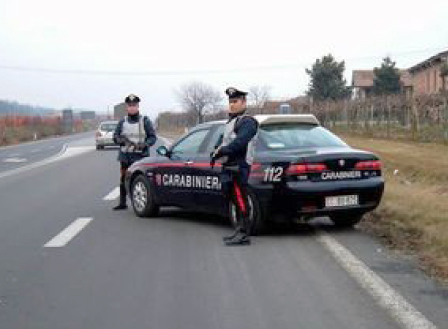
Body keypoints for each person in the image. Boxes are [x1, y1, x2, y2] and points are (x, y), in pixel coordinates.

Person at [211, 87, 259, 246]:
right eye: (230, 102)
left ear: (244, 102)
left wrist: (223, 150)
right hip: (229, 167)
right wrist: (215, 152)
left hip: (240, 167)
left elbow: (240, 142)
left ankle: (245, 234)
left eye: (235, 101)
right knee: (234, 199)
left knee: (241, 199)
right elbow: (223, 141)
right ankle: (239, 230)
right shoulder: (231, 122)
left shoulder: (248, 122)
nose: (232, 105)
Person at [112, 94, 157, 210]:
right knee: (123, 179)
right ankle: (122, 203)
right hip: (125, 156)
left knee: (141, 179)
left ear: (138, 107)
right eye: (130, 106)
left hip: (140, 156)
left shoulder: (145, 120)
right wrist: (120, 140)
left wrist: (145, 144)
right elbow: (115, 136)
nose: (132, 108)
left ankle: (143, 203)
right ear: (127, 107)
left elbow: (152, 137)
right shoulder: (122, 121)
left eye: (134, 105)